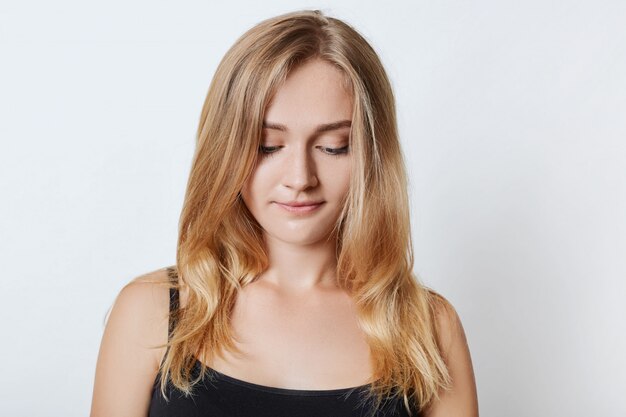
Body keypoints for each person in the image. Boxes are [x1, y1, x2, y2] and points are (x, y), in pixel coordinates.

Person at [90, 9, 478, 417]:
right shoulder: (153, 311)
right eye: (268, 146)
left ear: (372, 156)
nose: (300, 178)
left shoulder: (429, 329)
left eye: (333, 146)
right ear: (226, 150)